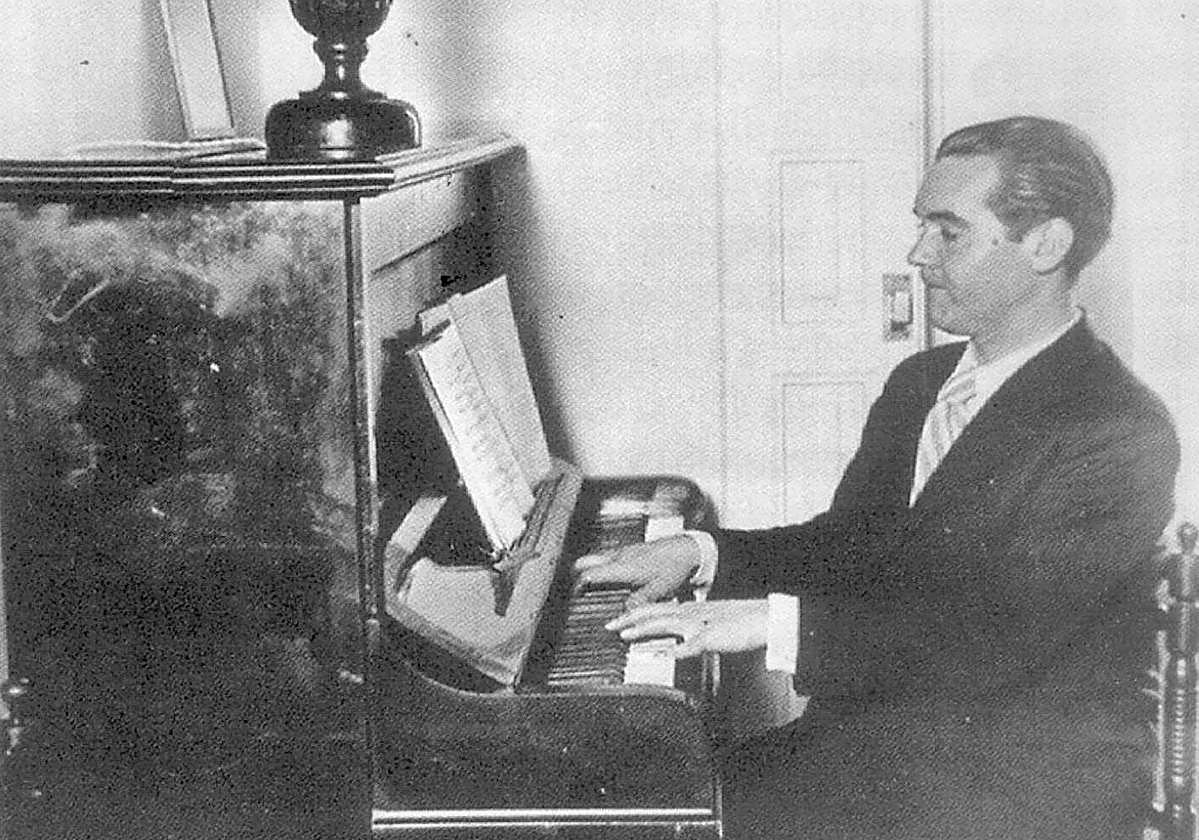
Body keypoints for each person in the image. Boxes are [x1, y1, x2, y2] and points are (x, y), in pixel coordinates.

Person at [575, 116, 1179, 839]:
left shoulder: (1116, 430)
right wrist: (701, 554)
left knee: (652, 816)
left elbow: (996, 640)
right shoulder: (920, 382)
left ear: (1046, 245)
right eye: (922, 225)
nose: (916, 252)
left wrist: (767, 621)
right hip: (892, 741)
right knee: (641, 801)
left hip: (1023, 784)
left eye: (948, 232)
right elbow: (851, 543)